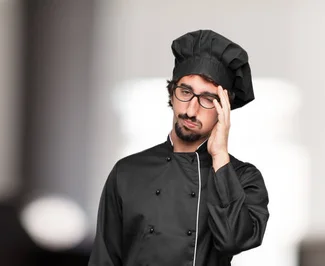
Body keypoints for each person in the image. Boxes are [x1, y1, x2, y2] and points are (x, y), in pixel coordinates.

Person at [88, 29, 270, 266]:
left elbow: (232, 241)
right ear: (172, 95)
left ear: (224, 108)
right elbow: (104, 259)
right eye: (185, 92)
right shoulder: (127, 172)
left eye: (207, 99)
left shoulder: (243, 178)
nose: (191, 110)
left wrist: (220, 157)